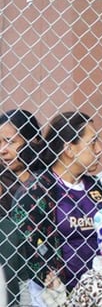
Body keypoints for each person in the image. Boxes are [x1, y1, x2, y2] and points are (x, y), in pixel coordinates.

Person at [12, 111, 102, 294]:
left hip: (101, 293)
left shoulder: (96, 188)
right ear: (69, 149)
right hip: (56, 294)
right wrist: (55, 288)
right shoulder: (36, 192)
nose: (99, 149)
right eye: (92, 142)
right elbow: (26, 250)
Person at [0, 109, 43, 304]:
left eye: (10, 141)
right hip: (11, 281)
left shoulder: (50, 180)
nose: (3, 150)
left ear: (33, 141)